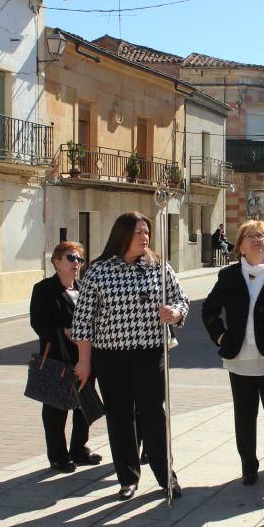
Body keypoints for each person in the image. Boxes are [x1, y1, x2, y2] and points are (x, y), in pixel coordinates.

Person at [72, 212, 189, 502]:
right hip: (110, 357)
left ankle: (166, 476)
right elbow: (82, 321)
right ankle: (127, 478)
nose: (145, 237)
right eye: (138, 232)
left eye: (147, 232)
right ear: (122, 235)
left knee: (153, 416)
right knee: (120, 418)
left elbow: (181, 300)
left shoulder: (159, 267)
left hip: (150, 353)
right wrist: (84, 361)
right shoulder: (98, 271)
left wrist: (175, 313)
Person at [202, 220, 264, 489]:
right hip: (239, 359)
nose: (257, 239)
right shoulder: (229, 276)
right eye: (250, 236)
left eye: (261, 236)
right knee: (244, 417)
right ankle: (249, 467)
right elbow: (209, 309)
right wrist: (220, 336)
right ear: (240, 246)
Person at [30, 242, 103, 474]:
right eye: (71, 258)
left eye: (80, 259)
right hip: (57, 358)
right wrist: (63, 331)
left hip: (84, 356)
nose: (77, 264)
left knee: (84, 406)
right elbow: (38, 321)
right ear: (57, 261)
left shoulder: (84, 289)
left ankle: (79, 448)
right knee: (55, 408)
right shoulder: (44, 289)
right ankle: (58, 455)